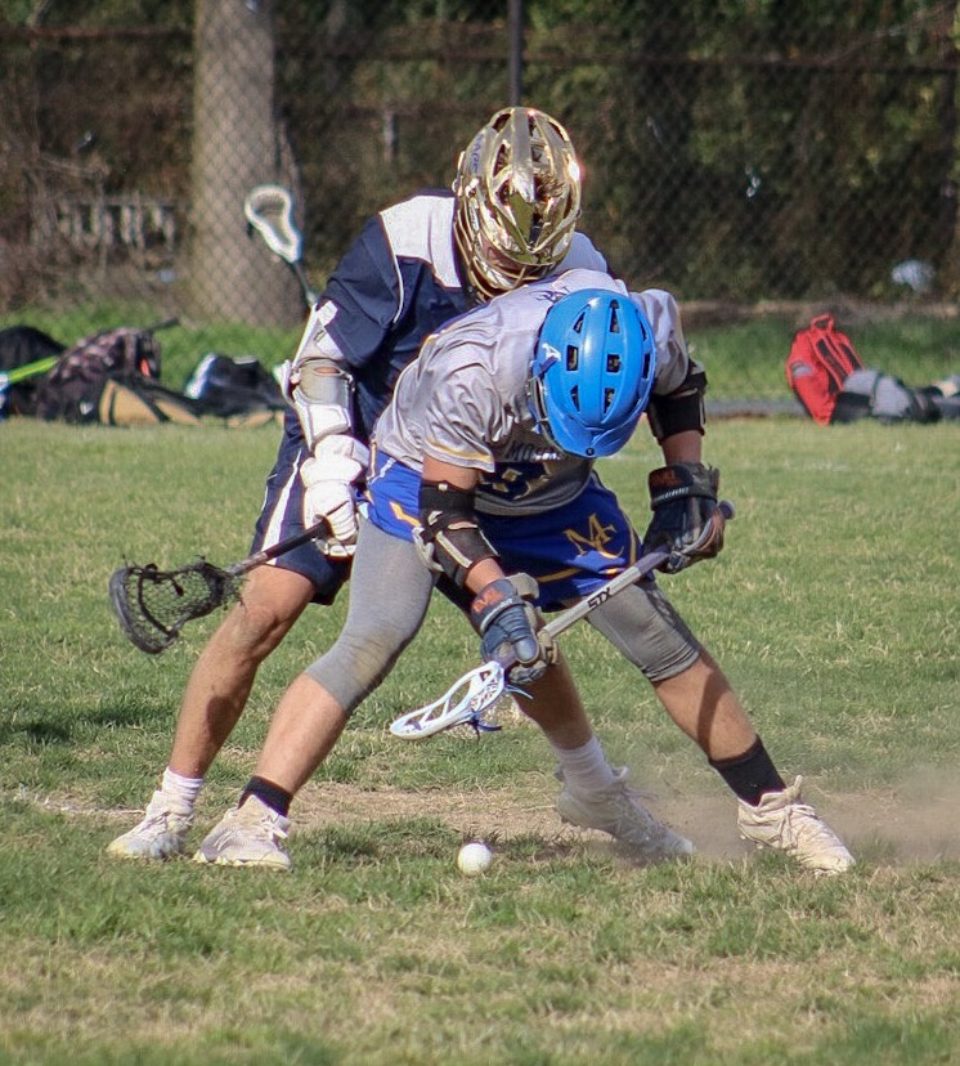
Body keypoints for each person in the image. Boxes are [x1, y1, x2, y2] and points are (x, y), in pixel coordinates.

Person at [190, 271, 855, 877]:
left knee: (655, 635)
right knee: (376, 633)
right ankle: (250, 819)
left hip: (554, 492)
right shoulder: (472, 371)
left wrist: (685, 485)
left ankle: (771, 811)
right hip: (427, 477)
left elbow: (679, 391)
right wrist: (498, 595)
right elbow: (447, 517)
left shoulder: (648, 326)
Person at [108, 106, 629, 861]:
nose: (515, 273)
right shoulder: (405, 238)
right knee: (266, 609)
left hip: (455, 465)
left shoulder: (581, 268)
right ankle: (171, 807)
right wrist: (332, 462)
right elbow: (322, 360)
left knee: (515, 627)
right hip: (351, 437)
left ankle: (596, 786)